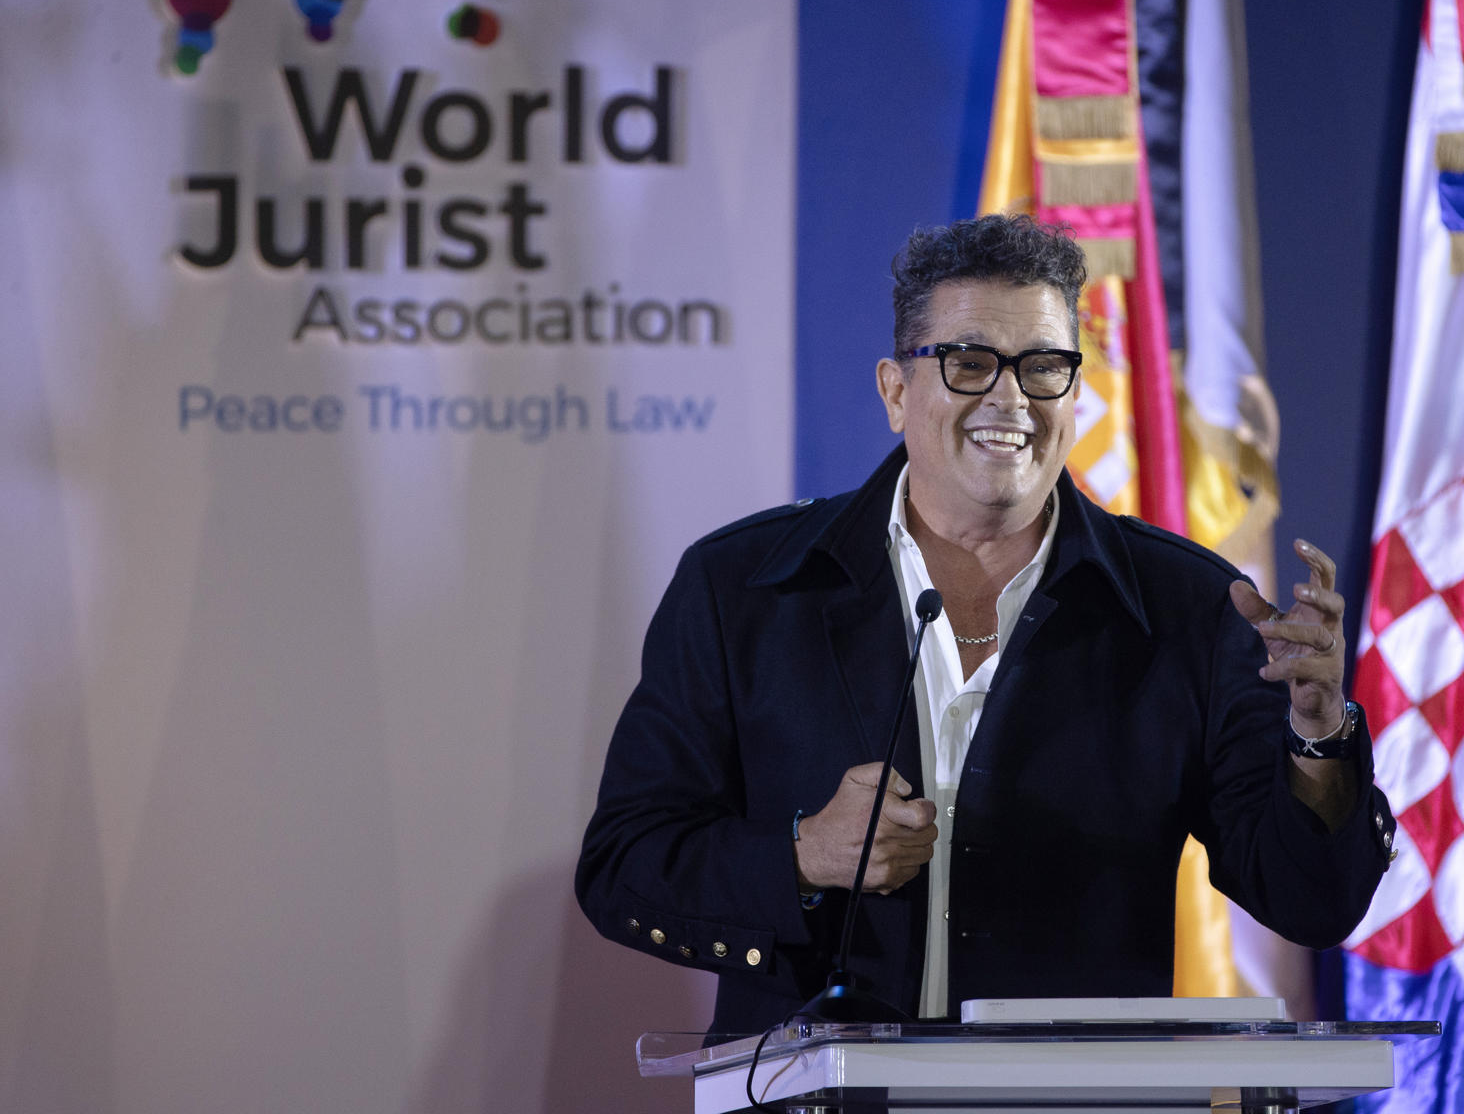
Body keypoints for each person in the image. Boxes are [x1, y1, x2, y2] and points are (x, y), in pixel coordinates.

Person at [575, 214, 1396, 1036]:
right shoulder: (745, 588)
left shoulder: (1188, 606)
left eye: (1043, 367)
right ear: (896, 392)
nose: (1011, 398)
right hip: (816, 1088)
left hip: (1071, 1095)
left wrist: (1318, 733)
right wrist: (804, 856)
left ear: (1075, 395)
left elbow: (1312, 902)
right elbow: (624, 864)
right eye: (969, 364)